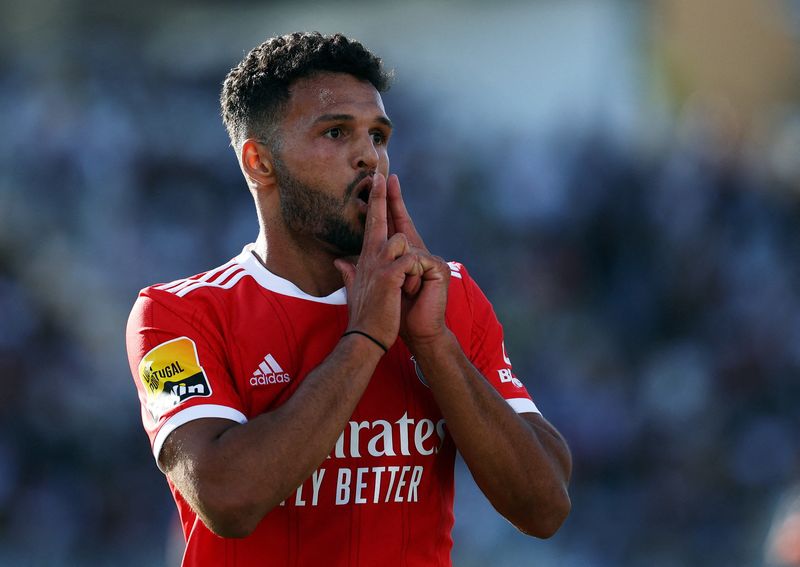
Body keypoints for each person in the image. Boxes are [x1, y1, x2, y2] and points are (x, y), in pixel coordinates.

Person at [125, 31, 571, 566]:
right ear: (259, 162)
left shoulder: (445, 296)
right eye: (337, 133)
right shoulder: (177, 315)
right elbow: (227, 499)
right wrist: (364, 339)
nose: (369, 157)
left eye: (379, 136)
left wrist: (433, 343)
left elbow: (545, 508)